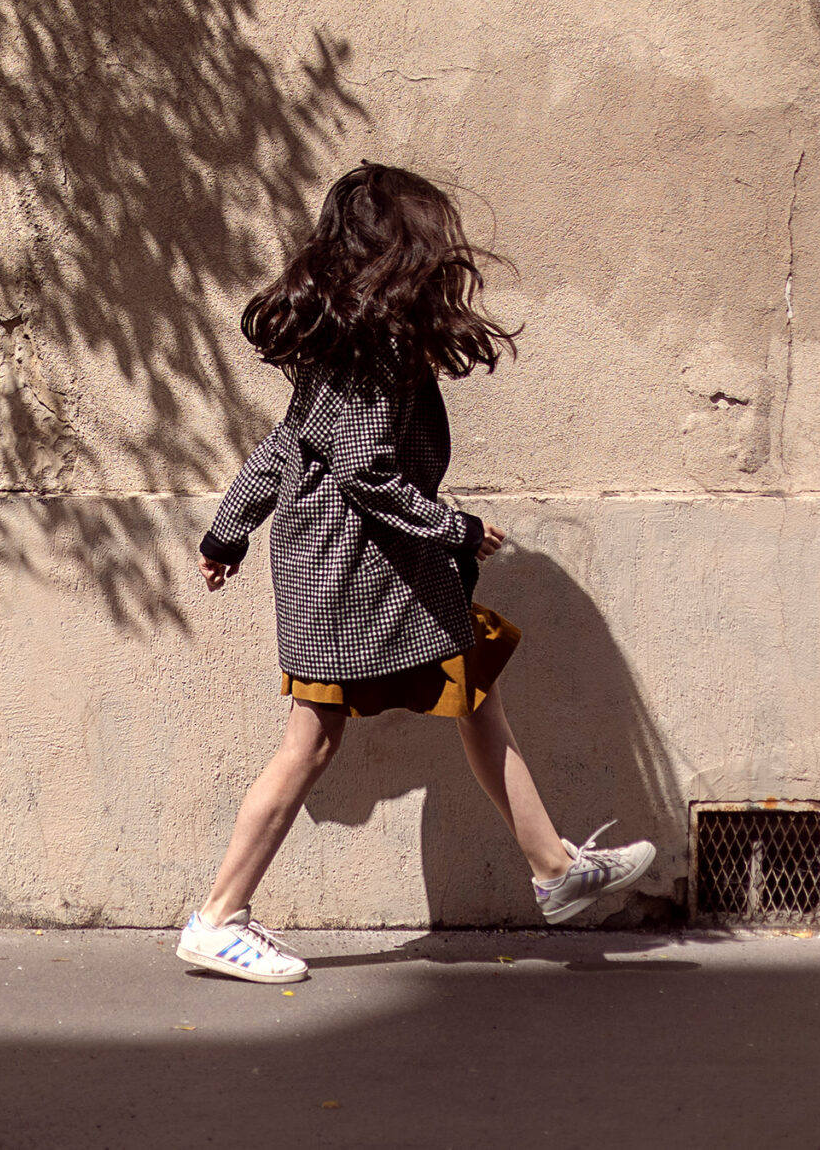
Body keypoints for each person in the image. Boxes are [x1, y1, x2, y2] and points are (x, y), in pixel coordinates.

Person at [178, 161, 655, 984]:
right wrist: (455, 527)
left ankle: (554, 869)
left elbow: (285, 446)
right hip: (352, 578)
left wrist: (227, 534)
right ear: (403, 251)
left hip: (367, 575)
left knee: (472, 685)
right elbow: (364, 472)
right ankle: (219, 917)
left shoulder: (341, 344)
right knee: (312, 741)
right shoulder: (373, 353)